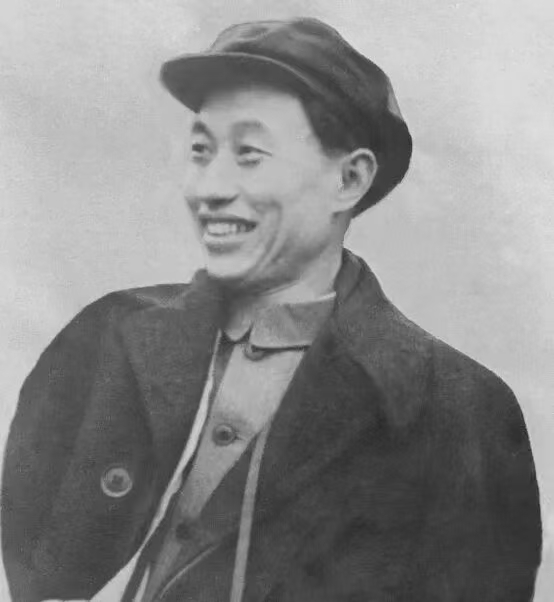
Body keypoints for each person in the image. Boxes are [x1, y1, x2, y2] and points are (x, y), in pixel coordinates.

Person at [1, 17, 542, 602]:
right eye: (201, 151)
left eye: (250, 154)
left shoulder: (459, 411)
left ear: (349, 178)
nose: (208, 188)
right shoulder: (105, 339)